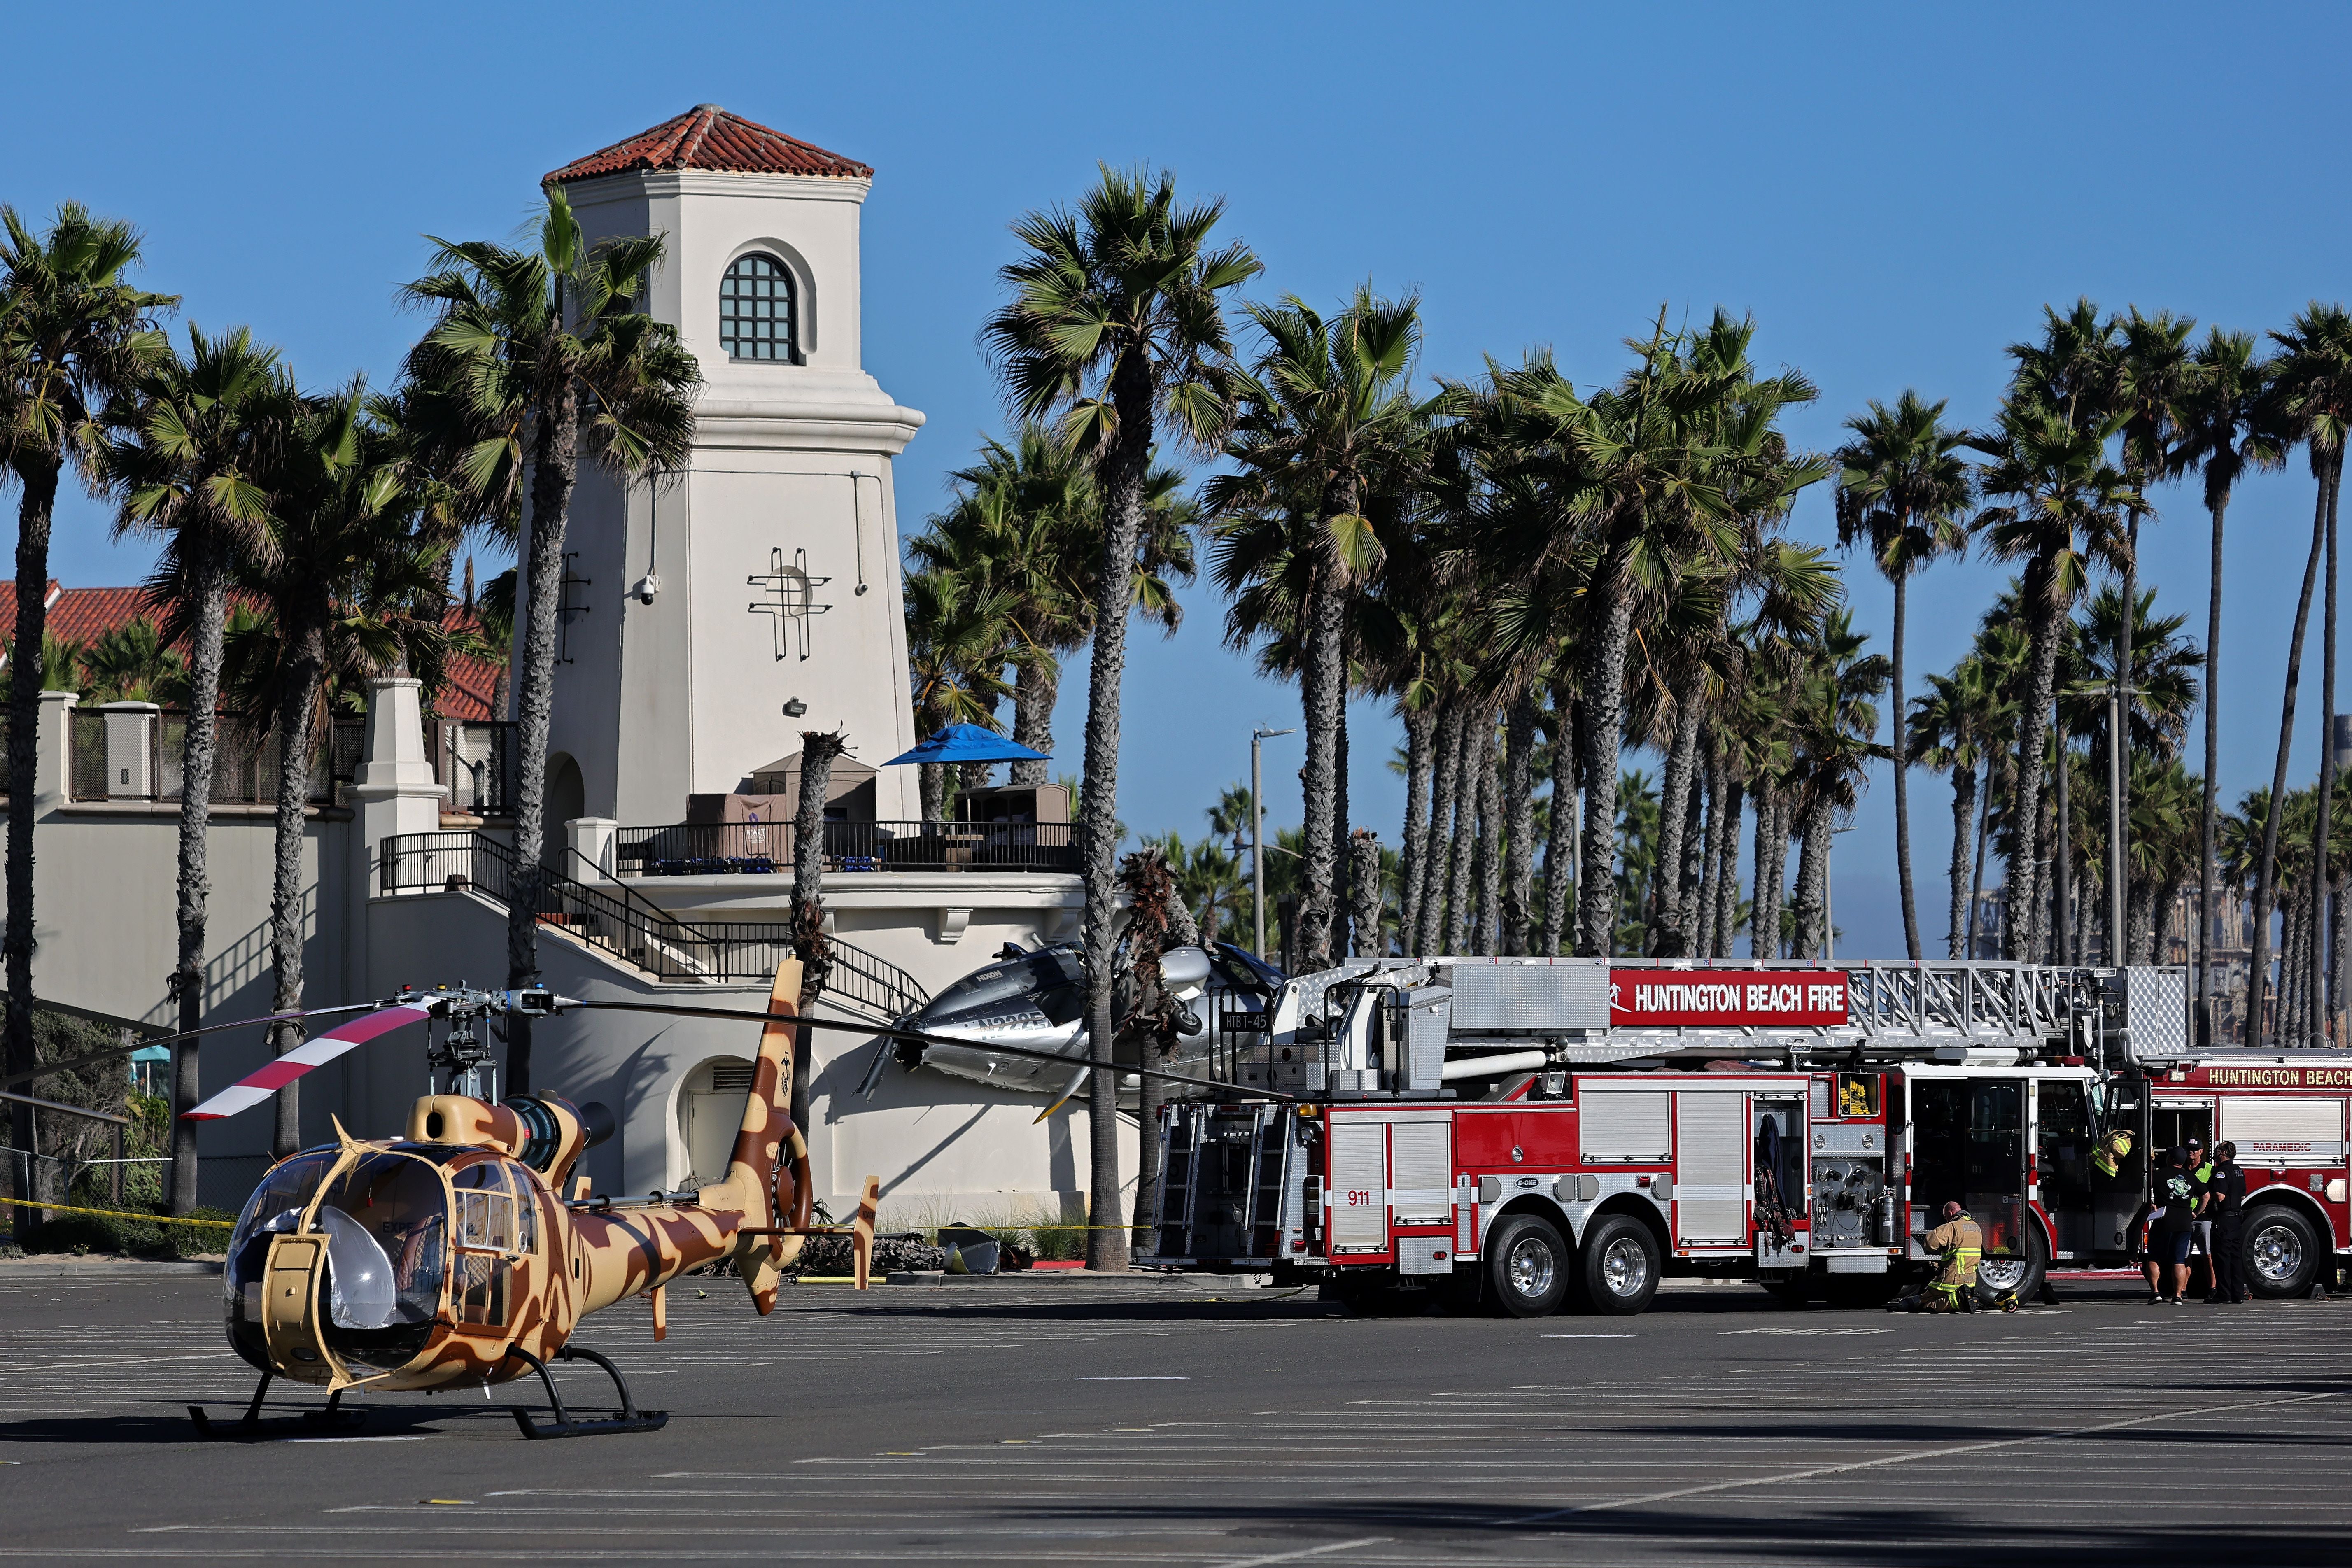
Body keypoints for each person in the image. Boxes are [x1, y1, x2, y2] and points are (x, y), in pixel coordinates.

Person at [2149, 1148, 2200, 1304]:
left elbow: (2143, 1190)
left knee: (2154, 1257)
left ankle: (2156, 1293)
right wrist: (2196, 1212)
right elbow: (2206, 1195)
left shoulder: (2158, 1175)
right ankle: (2177, 1296)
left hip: (2164, 1221)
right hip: (2185, 1223)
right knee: (2179, 1260)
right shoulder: (2191, 1177)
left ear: (2170, 1158)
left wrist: (2151, 1205)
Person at [2205, 1141, 2250, 1304]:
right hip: (2237, 1219)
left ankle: (2224, 1293)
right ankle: (2238, 1294)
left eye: (2218, 1150)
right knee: (2235, 1258)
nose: (2216, 1152)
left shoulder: (2221, 1173)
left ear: (2223, 1153)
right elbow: (2243, 1194)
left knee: (2222, 1258)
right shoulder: (2239, 1171)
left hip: (2223, 1219)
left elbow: (2219, 1196)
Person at [1923, 1200, 1984, 1313]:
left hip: (1953, 1279)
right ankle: (1962, 1297)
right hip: (1970, 1281)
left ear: (1951, 1214)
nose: (1946, 1219)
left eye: (1945, 1217)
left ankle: (1959, 1301)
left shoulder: (1953, 1226)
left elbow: (1931, 1243)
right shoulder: (1977, 1227)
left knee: (1926, 1301)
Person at [2184, 1137, 2216, 1298]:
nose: (2191, 1152)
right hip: (2185, 1218)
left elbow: (2212, 1195)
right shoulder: (2182, 1168)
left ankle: (2212, 1288)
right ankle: (2182, 1290)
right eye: (2189, 1149)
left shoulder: (2210, 1170)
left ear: (2201, 1152)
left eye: (2194, 1149)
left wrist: (2197, 1212)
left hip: (2203, 1218)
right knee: (2185, 1256)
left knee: (2207, 1255)